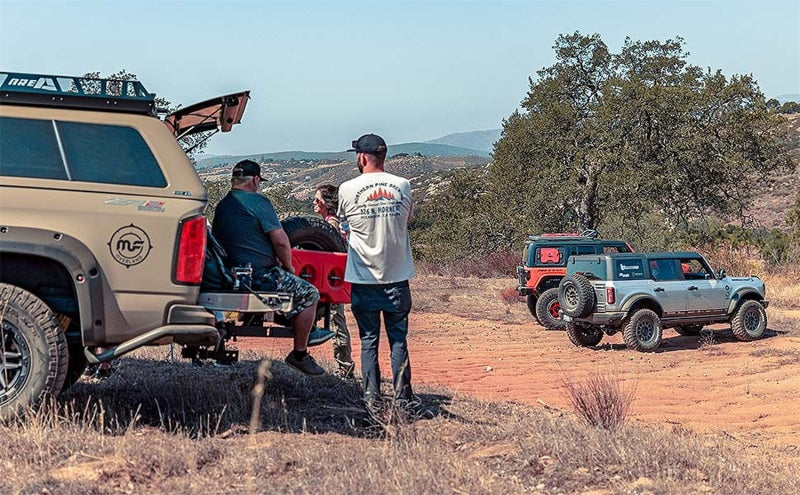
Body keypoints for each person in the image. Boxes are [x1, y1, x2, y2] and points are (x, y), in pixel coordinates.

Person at [212, 159, 325, 376]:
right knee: (310, 294)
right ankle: (300, 354)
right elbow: (281, 241)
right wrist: (289, 267)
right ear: (255, 180)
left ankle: (297, 324)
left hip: (228, 274)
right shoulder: (257, 201)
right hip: (258, 276)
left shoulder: (224, 205)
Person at [338, 134, 416, 410]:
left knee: (368, 340)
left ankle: (371, 398)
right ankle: (403, 398)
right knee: (398, 339)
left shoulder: (347, 189)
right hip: (397, 277)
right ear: (384, 156)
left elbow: (344, 225)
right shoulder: (403, 185)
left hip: (363, 278)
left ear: (361, 157)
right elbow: (406, 221)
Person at [313, 184, 356, 378]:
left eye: (317, 199)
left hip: (333, 280)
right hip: (334, 278)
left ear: (326, 203)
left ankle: (345, 366)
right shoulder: (334, 222)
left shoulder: (331, 224)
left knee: (336, 319)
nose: (314, 202)